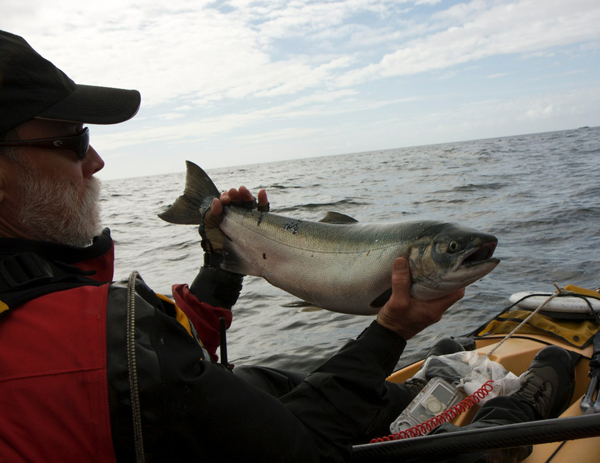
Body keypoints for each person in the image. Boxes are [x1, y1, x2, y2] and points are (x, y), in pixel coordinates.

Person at [0, 30, 575, 463]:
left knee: (267, 382)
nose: (96, 161)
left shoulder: (61, 309)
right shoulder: (85, 343)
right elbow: (301, 450)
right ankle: (518, 405)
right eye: (73, 140)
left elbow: (152, 359)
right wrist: (391, 332)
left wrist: (225, 263)